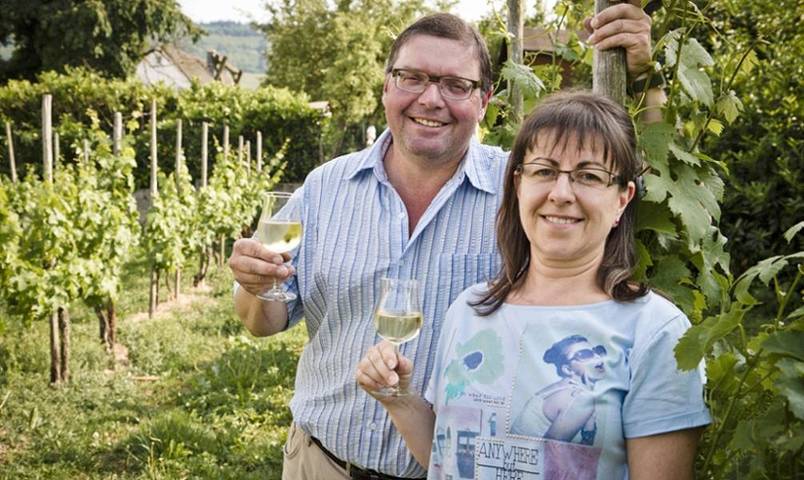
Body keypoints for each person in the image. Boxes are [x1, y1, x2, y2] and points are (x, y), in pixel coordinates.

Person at [229, 5, 660, 479]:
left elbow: (623, 187)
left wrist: (645, 79)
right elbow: (261, 321)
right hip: (320, 463)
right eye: (411, 77)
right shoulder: (324, 189)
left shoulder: (525, 193)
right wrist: (255, 284)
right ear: (387, 86)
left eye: (456, 85)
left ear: (484, 100)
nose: (430, 99)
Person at [356, 91, 711, 480]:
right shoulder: (470, 310)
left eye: (589, 176)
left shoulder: (656, 332)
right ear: (518, 185)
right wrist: (400, 399)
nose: (561, 194)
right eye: (544, 171)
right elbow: (448, 458)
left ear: (622, 200)